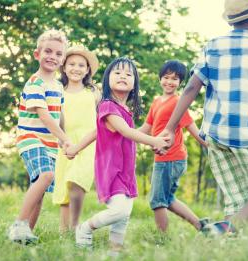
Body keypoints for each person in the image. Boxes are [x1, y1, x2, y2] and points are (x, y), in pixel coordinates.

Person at [158, 0, 248, 233]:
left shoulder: (213, 46)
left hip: (216, 134)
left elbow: (191, 87)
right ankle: (221, 231)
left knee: (236, 197)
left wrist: (170, 127)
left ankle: (227, 250)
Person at [65, 57, 169, 253]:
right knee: (119, 210)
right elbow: (126, 132)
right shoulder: (107, 106)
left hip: (126, 170)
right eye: (118, 73)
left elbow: (100, 131)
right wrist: (154, 141)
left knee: (125, 214)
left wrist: (76, 148)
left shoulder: (124, 110)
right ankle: (84, 228)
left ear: (134, 84)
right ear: (107, 80)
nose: (123, 76)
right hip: (111, 169)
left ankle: (114, 252)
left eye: (128, 74)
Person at [8, 29, 73, 243]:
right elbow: (44, 116)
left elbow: (59, 114)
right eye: (48, 51)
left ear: (63, 59)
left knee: (41, 185)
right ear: (37, 54)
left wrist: (65, 138)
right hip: (31, 138)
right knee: (46, 176)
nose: (52, 56)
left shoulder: (57, 86)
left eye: (58, 54)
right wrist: (64, 138)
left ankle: (26, 234)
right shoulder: (35, 83)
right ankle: (18, 225)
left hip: (50, 143)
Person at [138, 60, 209, 232]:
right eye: (166, 77)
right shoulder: (156, 102)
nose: (169, 82)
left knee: (157, 201)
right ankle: (201, 226)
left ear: (180, 83)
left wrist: (208, 144)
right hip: (163, 159)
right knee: (167, 199)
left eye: (175, 79)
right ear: (160, 78)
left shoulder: (179, 102)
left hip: (171, 158)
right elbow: (145, 129)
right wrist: (122, 134)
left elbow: (192, 128)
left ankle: (162, 239)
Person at [52, 45, 100, 233]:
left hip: (89, 143)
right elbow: (56, 120)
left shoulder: (93, 92)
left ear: (87, 69)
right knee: (65, 190)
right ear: (64, 67)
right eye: (71, 64)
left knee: (76, 181)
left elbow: (102, 119)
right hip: (65, 144)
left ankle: (75, 225)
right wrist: (61, 140)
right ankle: (65, 232)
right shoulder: (58, 92)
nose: (76, 68)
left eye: (81, 65)